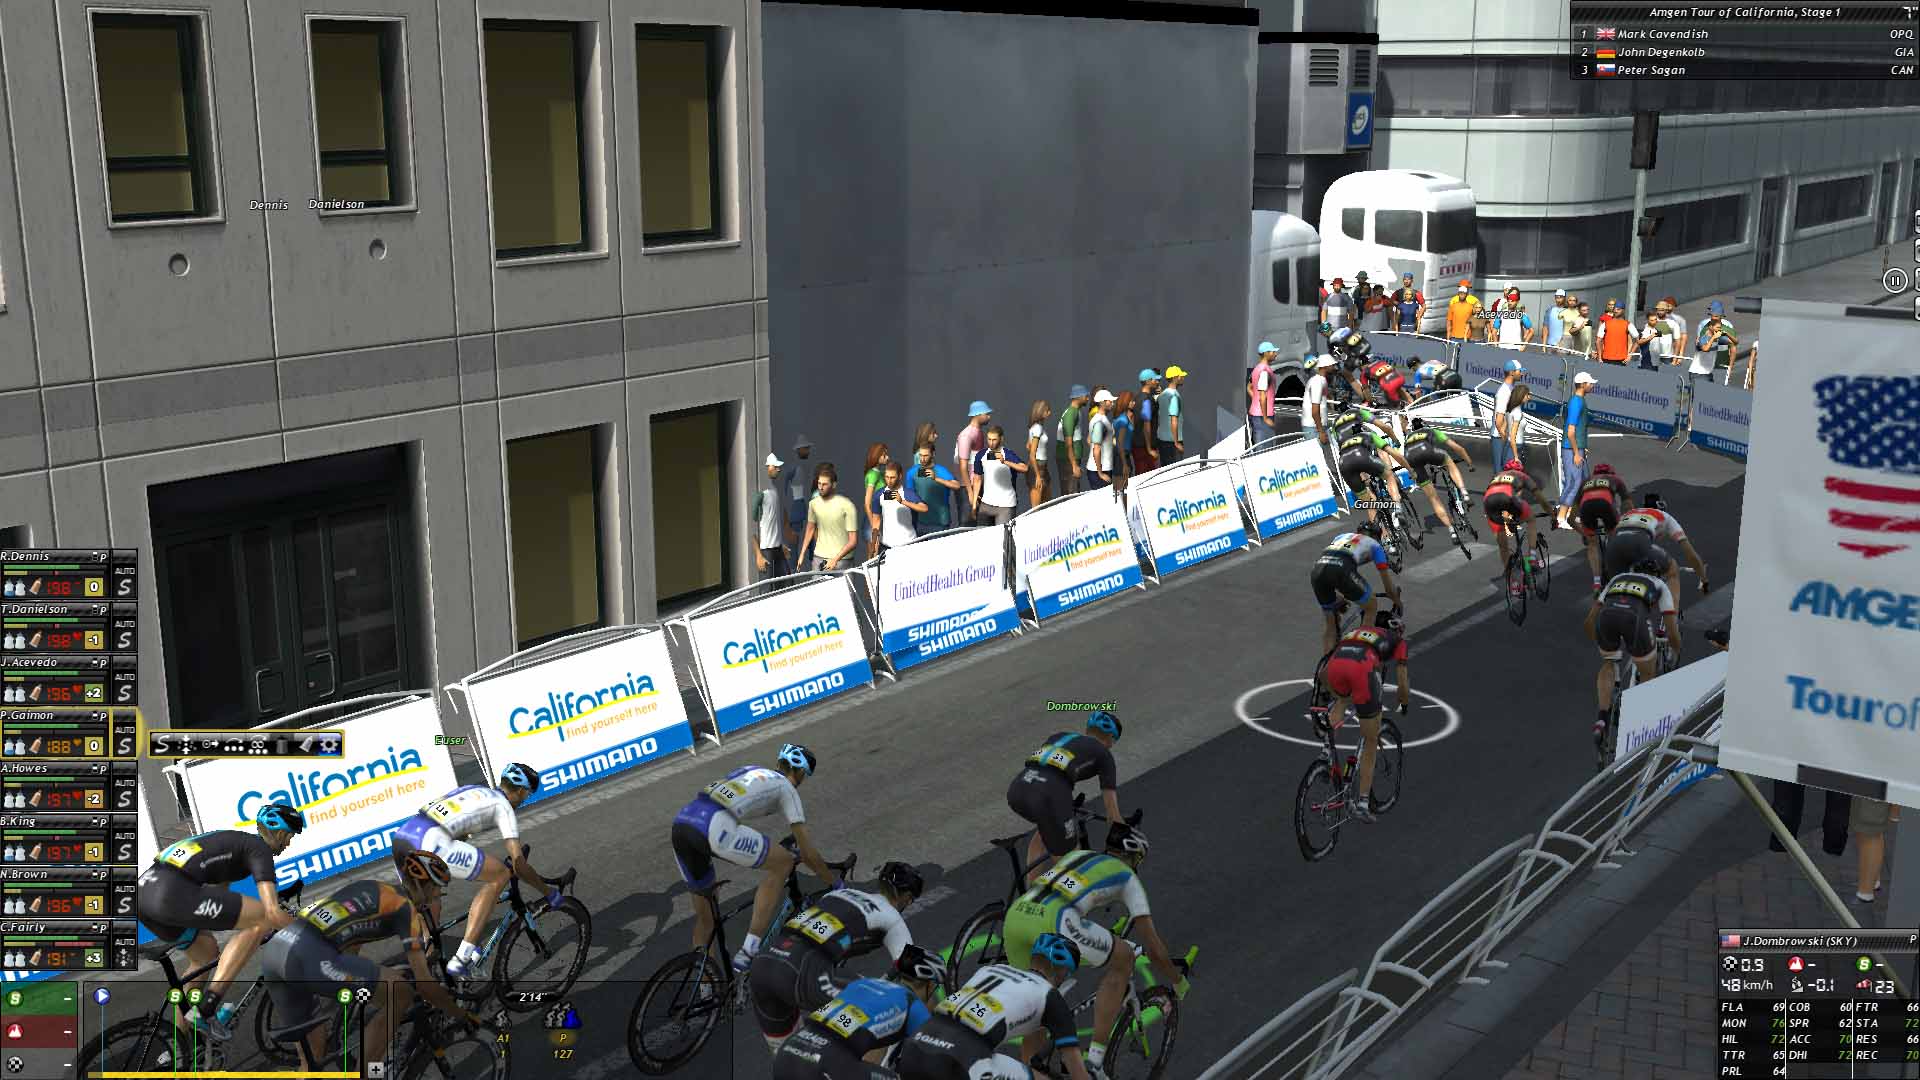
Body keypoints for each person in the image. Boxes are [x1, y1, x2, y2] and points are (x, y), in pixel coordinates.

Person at [1001, 825, 1185, 1076]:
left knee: (1038, 1008)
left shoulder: (1080, 855)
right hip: (1057, 920)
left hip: (1017, 917)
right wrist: (1178, 981)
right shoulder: (1128, 878)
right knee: (1124, 958)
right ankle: (1095, 1063)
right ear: (1134, 858)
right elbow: (1154, 947)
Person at [260, 850, 461, 1075]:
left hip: (276, 951)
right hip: (306, 955)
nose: (438, 895)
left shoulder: (373, 887)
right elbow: (425, 985)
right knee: (401, 993)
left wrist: (354, 984)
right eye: (437, 889)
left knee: (312, 1061)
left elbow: (351, 943)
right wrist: (461, 1015)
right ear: (426, 887)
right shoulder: (406, 909)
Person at [671, 745, 846, 972]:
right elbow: (808, 853)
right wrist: (834, 882)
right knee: (783, 863)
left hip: (683, 823)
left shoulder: (753, 769)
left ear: (779, 763)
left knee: (707, 920)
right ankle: (749, 951)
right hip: (714, 825)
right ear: (801, 772)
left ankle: (706, 986)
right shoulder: (787, 789)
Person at [136, 804, 304, 1039]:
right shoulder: (258, 849)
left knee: (204, 955)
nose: (288, 844)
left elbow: (218, 898)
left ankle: (178, 1045)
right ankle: (207, 1008)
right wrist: (311, 931)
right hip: (171, 892)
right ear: (280, 833)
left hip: (144, 895)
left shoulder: (232, 843)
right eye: (290, 837)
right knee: (261, 922)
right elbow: (272, 913)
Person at [389, 763, 557, 980]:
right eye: (527, 795)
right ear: (521, 791)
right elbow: (519, 864)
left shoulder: (474, 789)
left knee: (429, 918)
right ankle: (462, 958)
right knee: (500, 875)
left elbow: (456, 829)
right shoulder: (503, 806)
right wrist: (548, 893)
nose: (525, 800)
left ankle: (427, 982)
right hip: (431, 841)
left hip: (403, 838)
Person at [749, 860, 926, 1053]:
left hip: (763, 965)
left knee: (787, 1057)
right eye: (911, 899)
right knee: (884, 1009)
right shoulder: (892, 916)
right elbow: (915, 974)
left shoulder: (838, 893)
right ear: (906, 896)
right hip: (803, 970)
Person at [895, 934, 1093, 1080]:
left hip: (913, 1050)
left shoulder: (989, 969)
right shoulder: (1049, 995)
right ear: (1062, 971)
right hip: (960, 1061)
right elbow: (1074, 1064)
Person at [770, 945, 946, 1077]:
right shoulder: (911, 1003)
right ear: (930, 985)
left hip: (788, 1053)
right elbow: (934, 1060)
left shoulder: (861, 983)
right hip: (827, 1063)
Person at [1007, 710, 1127, 884]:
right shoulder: (1104, 754)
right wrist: (1125, 832)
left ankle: (1031, 890)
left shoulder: (1059, 736)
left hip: (1017, 789)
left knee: (1044, 832)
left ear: (1088, 729)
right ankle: (1070, 896)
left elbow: (1048, 770)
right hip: (1050, 795)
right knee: (1072, 860)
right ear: (1111, 738)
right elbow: (1112, 815)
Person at [1585, 557, 1682, 751]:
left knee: (1608, 663)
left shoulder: (1618, 578)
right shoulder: (1659, 584)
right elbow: (1671, 630)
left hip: (1606, 617)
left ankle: (1602, 719)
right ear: (1656, 574)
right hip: (1635, 620)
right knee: (1647, 672)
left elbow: (1590, 619)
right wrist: (1676, 649)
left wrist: (1599, 641)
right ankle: (1638, 723)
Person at [1322, 610, 1410, 822]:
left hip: (1333, 667)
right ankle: (1362, 802)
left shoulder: (1359, 631)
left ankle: (1326, 751)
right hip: (1361, 670)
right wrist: (1404, 702)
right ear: (1394, 628)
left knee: (1342, 700)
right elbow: (1402, 680)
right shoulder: (1397, 641)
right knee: (1371, 739)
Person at [1604, 495, 1711, 615]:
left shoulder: (1629, 514)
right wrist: (1704, 580)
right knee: (1672, 569)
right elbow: (1690, 554)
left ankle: (1612, 611)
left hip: (1613, 546)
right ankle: (1672, 617)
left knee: (1616, 587)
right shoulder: (1664, 516)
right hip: (1639, 543)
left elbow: (1611, 538)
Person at [1310, 521, 1403, 655]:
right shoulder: (1376, 545)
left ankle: (1327, 664)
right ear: (1376, 537)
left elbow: (1330, 565)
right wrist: (1398, 602)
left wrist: (1339, 596)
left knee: (1331, 625)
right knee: (1371, 605)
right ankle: (1361, 654)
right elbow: (1389, 589)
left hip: (1317, 570)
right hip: (1341, 569)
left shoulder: (1342, 536)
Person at [1483, 458, 1553, 590]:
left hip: (1489, 503)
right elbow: (1541, 500)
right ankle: (1532, 557)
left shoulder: (1497, 476)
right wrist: (1553, 515)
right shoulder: (1521, 476)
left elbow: (1493, 494)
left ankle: (1512, 581)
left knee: (1503, 545)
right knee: (1531, 519)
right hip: (1508, 501)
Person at [1401, 418, 1474, 543]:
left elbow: (1410, 459)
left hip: (1411, 458)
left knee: (1433, 498)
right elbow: (1457, 447)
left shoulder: (1408, 438)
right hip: (1429, 452)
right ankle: (1465, 493)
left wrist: (1413, 474)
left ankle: (1452, 532)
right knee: (1449, 462)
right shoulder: (1431, 431)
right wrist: (1469, 463)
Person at [1337, 423, 1414, 529]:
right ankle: (1397, 510)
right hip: (1363, 458)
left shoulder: (1345, 443)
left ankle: (1384, 536)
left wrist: (1366, 481)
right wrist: (1410, 470)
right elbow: (1393, 454)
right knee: (1389, 476)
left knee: (1370, 504)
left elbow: (1354, 462)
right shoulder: (1370, 435)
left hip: (1344, 466)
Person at [1574, 462, 1631, 592]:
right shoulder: (1615, 479)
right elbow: (1627, 504)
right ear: (1611, 473)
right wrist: (1625, 521)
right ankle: (1617, 571)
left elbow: (1571, 518)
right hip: (1606, 505)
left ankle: (1596, 583)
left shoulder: (1585, 482)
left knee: (1592, 544)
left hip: (1586, 507)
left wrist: (1584, 533)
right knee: (1614, 536)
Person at [1556, 372, 1598, 531]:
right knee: (1573, 483)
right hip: (1571, 449)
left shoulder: (1580, 401)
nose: (1592, 385)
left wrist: (1581, 447)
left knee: (1585, 481)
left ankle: (1575, 513)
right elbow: (1571, 431)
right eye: (1590, 383)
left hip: (1577, 447)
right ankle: (1561, 517)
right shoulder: (1576, 403)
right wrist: (1576, 453)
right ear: (1583, 385)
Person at [802, 463, 861, 572]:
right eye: (819, 483)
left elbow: (853, 540)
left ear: (833, 484)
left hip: (841, 561)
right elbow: (812, 528)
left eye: (824, 484)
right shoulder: (814, 502)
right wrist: (804, 553)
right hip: (820, 557)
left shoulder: (847, 505)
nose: (821, 487)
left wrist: (835, 559)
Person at [969, 425, 1028, 526]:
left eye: (994, 440)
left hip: (1006, 505)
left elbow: (1025, 468)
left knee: (1002, 535)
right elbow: (977, 479)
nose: (991, 443)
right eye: (989, 439)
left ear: (1001, 439)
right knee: (981, 534)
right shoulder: (981, 455)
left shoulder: (1008, 454)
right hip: (986, 504)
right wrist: (974, 504)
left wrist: (1005, 461)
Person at [755, 453, 799, 580]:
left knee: (787, 582)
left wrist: (780, 543)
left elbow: (776, 522)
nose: (779, 470)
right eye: (775, 467)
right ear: (768, 467)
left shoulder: (774, 490)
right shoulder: (761, 494)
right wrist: (758, 554)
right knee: (768, 585)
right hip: (766, 550)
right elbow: (752, 529)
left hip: (777, 548)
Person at [870, 461, 927, 553]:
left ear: (900, 476)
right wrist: (873, 544)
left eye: (892, 477)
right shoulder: (879, 495)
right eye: (887, 477)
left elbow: (924, 508)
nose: (889, 481)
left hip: (908, 544)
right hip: (887, 546)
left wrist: (902, 501)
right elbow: (876, 522)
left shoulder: (908, 493)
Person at [909, 443, 961, 537]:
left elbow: (956, 486)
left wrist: (936, 478)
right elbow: (910, 495)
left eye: (926, 455)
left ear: (933, 454)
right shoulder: (912, 472)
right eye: (920, 455)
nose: (922, 459)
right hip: (921, 522)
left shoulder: (941, 471)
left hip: (939, 523)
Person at [954, 403, 993, 525]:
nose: (989, 417)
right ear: (978, 414)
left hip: (978, 484)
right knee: (968, 524)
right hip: (968, 487)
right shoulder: (966, 436)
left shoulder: (978, 433)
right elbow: (963, 466)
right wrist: (971, 494)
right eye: (986, 414)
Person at [1490, 359, 1526, 468]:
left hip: (1504, 438)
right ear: (1512, 373)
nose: (1522, 374)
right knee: (1501, 472)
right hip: (1500, 438)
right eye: (1520, 371)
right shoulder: (1504, 392)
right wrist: (1505, 440)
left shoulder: (1511, 388)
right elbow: (1499, 421)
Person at [788, 436, 817, 566]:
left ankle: (811, 560)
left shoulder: (806, 466)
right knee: (795, 534)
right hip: (799, 504)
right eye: (806, 449)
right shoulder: (796, 468)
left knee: (811, 532)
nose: (808, 451)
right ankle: (794, 563)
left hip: (807, 504)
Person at [862, 444, 893, 559]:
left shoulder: (879, 473)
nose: (887, 458)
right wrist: (874, 526)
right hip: (873, 521)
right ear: (876, 456)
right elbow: (867, 503)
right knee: (873, 559)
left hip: (881, 518)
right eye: (884, 455)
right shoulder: (873, 475)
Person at [1056, 385, 1089, 492]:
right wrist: (1074, 465)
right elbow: (1068, 442)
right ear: (1079, 396)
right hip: (1068, 461)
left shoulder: (1076, 412)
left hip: (1071, 460)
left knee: (1073, 490)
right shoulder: (1071, 413)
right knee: (1071, 493)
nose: (1087, 398)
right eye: (1086, 396)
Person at [1085, 389, 1117, 490]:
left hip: (1103, 468)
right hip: (1099, 472)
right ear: (1103, 402)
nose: (1112, 403)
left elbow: (1089, 440)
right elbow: (1096, 449)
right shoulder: (1099, 422)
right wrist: (1100, 473)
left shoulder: (1101, 419)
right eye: (1110, 401)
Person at [1154, 366, 1187, 463]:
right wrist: (1176, 443)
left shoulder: (1162, 395)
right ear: (1175, 378)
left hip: (1161, 440)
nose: (1183, 378)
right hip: (1172, 442)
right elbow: (1174, 419)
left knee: (1165, 468)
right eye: (1180, 376)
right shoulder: (1174, 396)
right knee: (1175, 470)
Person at [1249, 342, 1280, 443]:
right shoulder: (1264, 371)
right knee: (1264, 447)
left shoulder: (1257, 369)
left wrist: (1256, 402)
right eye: (1273, 352)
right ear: (1266, 353)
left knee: (1261, 444)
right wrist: (1266, 418)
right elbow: (1263, 395)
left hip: (1258, 413)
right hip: (1263, 416)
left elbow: (1249, 387)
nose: (1275, 354)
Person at [1026, 400, 1054, 508]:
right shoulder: (1037, 428)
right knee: (1036, 509)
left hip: (1043, 467)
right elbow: (1032, 455)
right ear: (1040, 411)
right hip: (1037, 468)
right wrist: (1037, 476)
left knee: (1047, 503)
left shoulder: (1036, 427)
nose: (1049, 413)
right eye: (1047, 411)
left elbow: (1028, 446)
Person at [1133, 370, 1161, 474]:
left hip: (1138, 445)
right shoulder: (1147, 400)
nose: (1157, 382)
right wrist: (1149, 449)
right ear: (1148, 381)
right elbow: (1146, 423)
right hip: (1144, 448)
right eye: (1155, 380)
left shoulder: (1137, 397)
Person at [1111, 390, 1139, 492]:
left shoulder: (1126, 418)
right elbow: (1120, 443)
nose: (1134, 403)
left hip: (1124, 455)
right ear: (1125, 402)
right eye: (1131, 401)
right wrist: (1124, 464)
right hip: (1121, 457)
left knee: (1125, 487)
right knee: (1120, 488)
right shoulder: (1123, 420)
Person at [1445, 279, 1482, 348]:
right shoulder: (1474, 300)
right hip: (1461, 335)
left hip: (1464, 336)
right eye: (1468, 288)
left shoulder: (1453, 300)